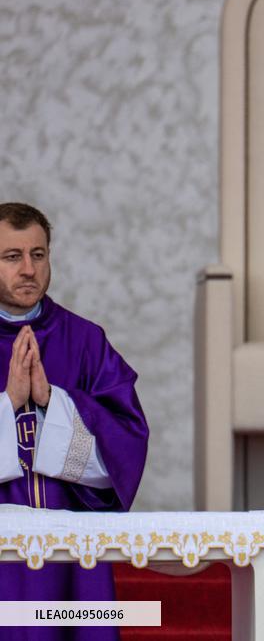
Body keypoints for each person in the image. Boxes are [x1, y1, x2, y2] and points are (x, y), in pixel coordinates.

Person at [0, 203, 149, 641]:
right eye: (12, 257)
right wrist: (9, 401)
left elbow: (127, 444)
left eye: (38, 255)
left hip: (72, 558)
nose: (28, 269)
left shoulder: (85, 341)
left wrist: (53, 401)